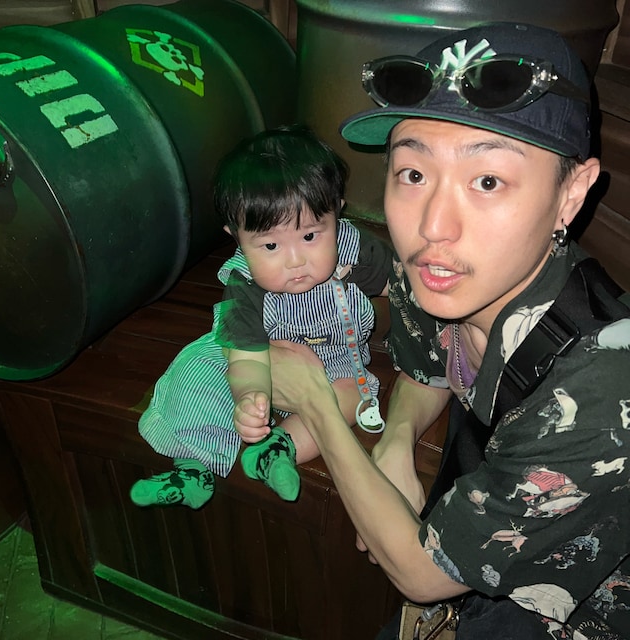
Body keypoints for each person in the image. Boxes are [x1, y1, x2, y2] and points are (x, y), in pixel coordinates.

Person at [266, 22, 630, 639]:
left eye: (487, 181)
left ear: (571, 193)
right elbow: (427, 368)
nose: (434, 225)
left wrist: (316, 405)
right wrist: (397, 437)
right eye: (413, 174)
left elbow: (422, 575)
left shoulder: (601, 389)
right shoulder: (436, 274)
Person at [130, 125, 391, 510]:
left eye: (310, 236)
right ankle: (194, 468)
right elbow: (245, 357)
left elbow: (398, 282)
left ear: (336, 213)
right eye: (270, 245)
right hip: (253, 356)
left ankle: (277, 450)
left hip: (333, 361)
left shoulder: (354, 248)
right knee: (197, 373)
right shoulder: (245, 284)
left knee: (357, 393)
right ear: (237, 237)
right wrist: (249, 396)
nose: (295, 260)